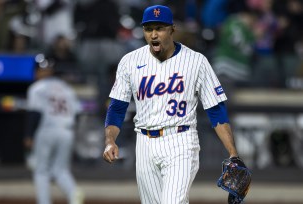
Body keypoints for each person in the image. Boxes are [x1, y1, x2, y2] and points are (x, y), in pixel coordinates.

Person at [103, 4, 246, 204]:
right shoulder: (130, 61)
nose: (154, 34)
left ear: (172, 30)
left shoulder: (196, 61)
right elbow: (117, 107)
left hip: (181, 140)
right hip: (144, 143)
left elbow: (216, 110)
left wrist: (233, 153)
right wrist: (110, 140)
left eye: (159, 28)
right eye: (148, 28)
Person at [24, 54, 84, 204]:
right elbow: (77, 114)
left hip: (47, 130)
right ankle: (73, 193)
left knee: (41, 171)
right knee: (61, 170)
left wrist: (29, 135)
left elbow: (34, 114)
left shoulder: (37, 88)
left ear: (38, 71)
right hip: (66, 131)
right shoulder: (66, 88)